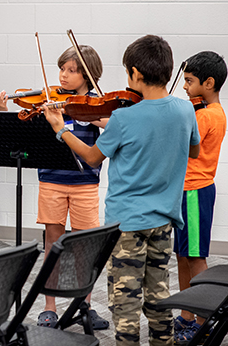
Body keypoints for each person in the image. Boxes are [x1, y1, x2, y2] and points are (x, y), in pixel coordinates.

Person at [42, 34, 200, 345]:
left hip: (127, 225)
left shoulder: (124, 118)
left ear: (136, 74)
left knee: (125, 303)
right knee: (158, 295)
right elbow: (193, 151)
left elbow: (90, 157)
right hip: (164, 221)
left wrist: (61, 129)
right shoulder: (184, 111)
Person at [0, 45, 109, 330]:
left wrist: (84, 113)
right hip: (52, 182)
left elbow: (112, 124)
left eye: (72, 70)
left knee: (85, 248)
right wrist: (4, 110)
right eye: (62, 69)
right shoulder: (49, 102)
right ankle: (49, 307)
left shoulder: (96, 103)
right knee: (52, 245)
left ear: (89, 75)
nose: (64, 76)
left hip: (85, 184)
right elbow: (25, 132)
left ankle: (85, 304)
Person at [173, 51, 227, 343]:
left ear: (208, 83)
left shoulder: (206, 115)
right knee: (183, 256)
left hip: (194, 192)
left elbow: (180, 143)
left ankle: (204, 322)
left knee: (196, 258)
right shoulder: (205, 111)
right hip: (187, 191)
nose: (184, 87)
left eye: (190, 81)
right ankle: (186, 315)